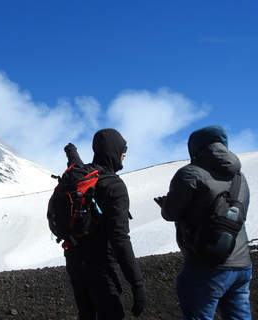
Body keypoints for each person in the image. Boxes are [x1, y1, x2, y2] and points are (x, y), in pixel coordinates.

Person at [155, 125, 252, 320]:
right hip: (242, 263)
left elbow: (170, 213)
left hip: (205, 264)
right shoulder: (239, 177)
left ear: (195, 148)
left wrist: (166, 203)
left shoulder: (190, 173)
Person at [63, 128, 146, 320]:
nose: (124, 154)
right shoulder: (114, 186)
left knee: (86, 315)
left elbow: (73, 162)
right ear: (114, 150)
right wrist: (137, 284)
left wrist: (70, 151)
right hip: (103, 267)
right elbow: (119, 238)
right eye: (123, 149)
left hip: (76, 262)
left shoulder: (80, 177)